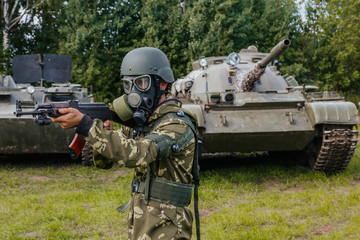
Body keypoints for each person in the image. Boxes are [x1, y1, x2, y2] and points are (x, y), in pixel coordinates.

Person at [52, 47, 200, 240]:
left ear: (162, 83)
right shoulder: (142, 122)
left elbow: (137, 154)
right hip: (142, 217)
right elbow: (104, 163)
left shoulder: (176, 124)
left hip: (169, 223)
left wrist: (87, 126)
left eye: (141, 83)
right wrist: (104, 132)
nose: (134, 92)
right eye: (128, 85)